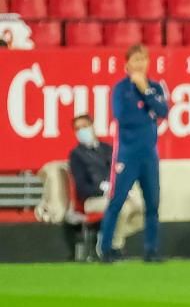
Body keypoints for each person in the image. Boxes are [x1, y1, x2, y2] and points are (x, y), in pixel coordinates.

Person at [100, 44, 169, 263]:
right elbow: (124, 117)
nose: (140, 64)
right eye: (136, 60)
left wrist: (145, 91)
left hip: (149, 156)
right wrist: (147, 110)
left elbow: (163, 111)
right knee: (117, 202)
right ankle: (106, 248)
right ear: (127, 64)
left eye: (143, 59)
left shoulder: (155, 87)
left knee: (153, 204)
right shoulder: (121, 89)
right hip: (127, 155)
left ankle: (151, 250)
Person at [66, 114, 141, 259]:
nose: (81, 131)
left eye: (84, 126)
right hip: (92, 200)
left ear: (92, 126)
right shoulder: (76, 155)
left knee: (139, 210)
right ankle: (113, 247)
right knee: (122, 208)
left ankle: (107, 235)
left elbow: (118, 171)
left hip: (114, 196)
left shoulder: (107, 149)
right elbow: (81, 187)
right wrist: (102, 189)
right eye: (78, 129)